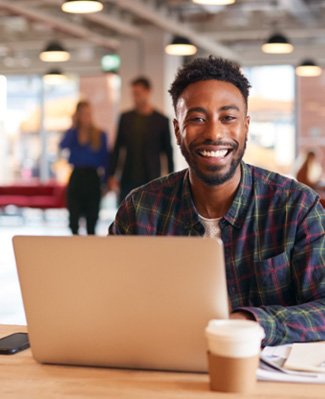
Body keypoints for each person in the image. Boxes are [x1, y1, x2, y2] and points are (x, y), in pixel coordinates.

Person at [109, 56, 325, 347]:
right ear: (177, 130)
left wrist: (251, 322)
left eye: (228, 118)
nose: (213, 133)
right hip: (164, 373)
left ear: (246, 126)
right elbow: (110, 302)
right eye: (197, 119)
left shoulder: (296, 206)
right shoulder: (140, 210)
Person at [108, 76, 174, 203]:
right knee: (126, 215)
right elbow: (117, 148)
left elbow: (168, 152)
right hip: (128, 177)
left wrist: (171, 180)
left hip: (152, 178)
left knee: (150, 216)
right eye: (133, 94)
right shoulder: (125, 118)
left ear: (148, 92)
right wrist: (112, 175)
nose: (135, 97)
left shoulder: (161, 120)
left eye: (138, 93)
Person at [60, 100, 109, 235]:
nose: (85, 117)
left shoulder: (100, 134)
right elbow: (62, 145)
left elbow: (105, 161)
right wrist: (74, 126)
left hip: (92, 178)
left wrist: (105, 183)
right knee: (73, 219)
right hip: (76, 177)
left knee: (91, 220)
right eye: (81, 114)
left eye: (87, 113)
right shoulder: (73, 134)